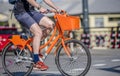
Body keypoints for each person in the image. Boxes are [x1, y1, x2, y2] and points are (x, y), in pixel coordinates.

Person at [13, 0, 61, 71]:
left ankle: (34, 47)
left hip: (31, 11)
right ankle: (36, 61)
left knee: (51, 25)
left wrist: (57, 9)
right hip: (21, 12)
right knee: (38, 32)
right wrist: (40, 7)